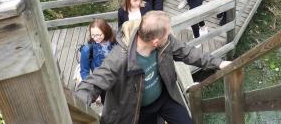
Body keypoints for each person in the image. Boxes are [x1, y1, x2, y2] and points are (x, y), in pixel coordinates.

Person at [75, 11, 231, 124]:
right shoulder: (119, 58)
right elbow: (93, 83)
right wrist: (75, 109)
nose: (170, 36)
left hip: (164, 98)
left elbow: (187, 52)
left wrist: (219, 63)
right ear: (155, 41)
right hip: (136, 110)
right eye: (167, 34)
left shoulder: (165, 43)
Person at [80, 18, 116, 104]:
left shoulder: (114, 41)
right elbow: (84, 71)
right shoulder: (87, 50)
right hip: (102, 82)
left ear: (105, 31)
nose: (95, 38)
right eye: (93, 35)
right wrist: (92, 89)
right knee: (107, 103)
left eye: (99, 35)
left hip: (118, 78)